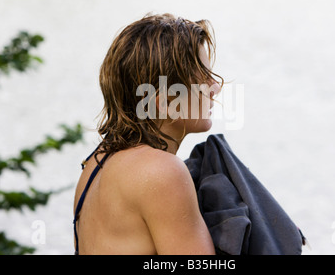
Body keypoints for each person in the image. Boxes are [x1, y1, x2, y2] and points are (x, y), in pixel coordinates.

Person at [73, 13, 223, 255]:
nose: (215, 87)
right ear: (165, 103)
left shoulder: (97, 162)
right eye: (204, 79)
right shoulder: (161, 171)